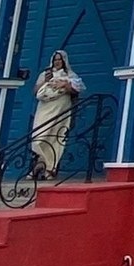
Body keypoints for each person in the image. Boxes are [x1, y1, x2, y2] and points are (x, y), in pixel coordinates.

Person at [31, 50, 84, 178]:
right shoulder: (46, 74)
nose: (58, 62)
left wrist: (65, 85)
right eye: (55, 59)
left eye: (60, 59)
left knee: (56, 136)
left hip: (60, 108)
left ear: (64, 61)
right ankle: (40, 163)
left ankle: (51, 168)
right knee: (39, 135)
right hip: (45, 108)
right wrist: (45, 82)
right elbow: (35, 91)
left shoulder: (70, 75)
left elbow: (77, 90)